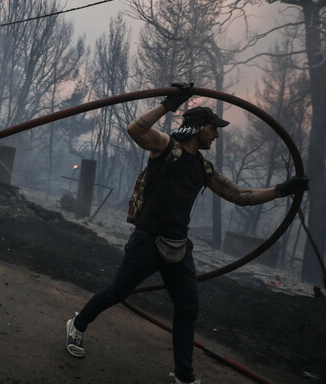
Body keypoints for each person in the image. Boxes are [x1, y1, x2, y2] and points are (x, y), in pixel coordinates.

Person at [65, 83, 309, 384]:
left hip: (179, 247)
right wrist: (169, 105)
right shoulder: (167, 148)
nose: (216, 134)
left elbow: (241, 195)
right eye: (213, 128)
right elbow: (135, 129)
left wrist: (283, 190)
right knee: (117, 291)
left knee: (188, 308)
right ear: (198, 128)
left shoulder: (203, 168)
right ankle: (77, 324)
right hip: (147, 240)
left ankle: (184, 376)